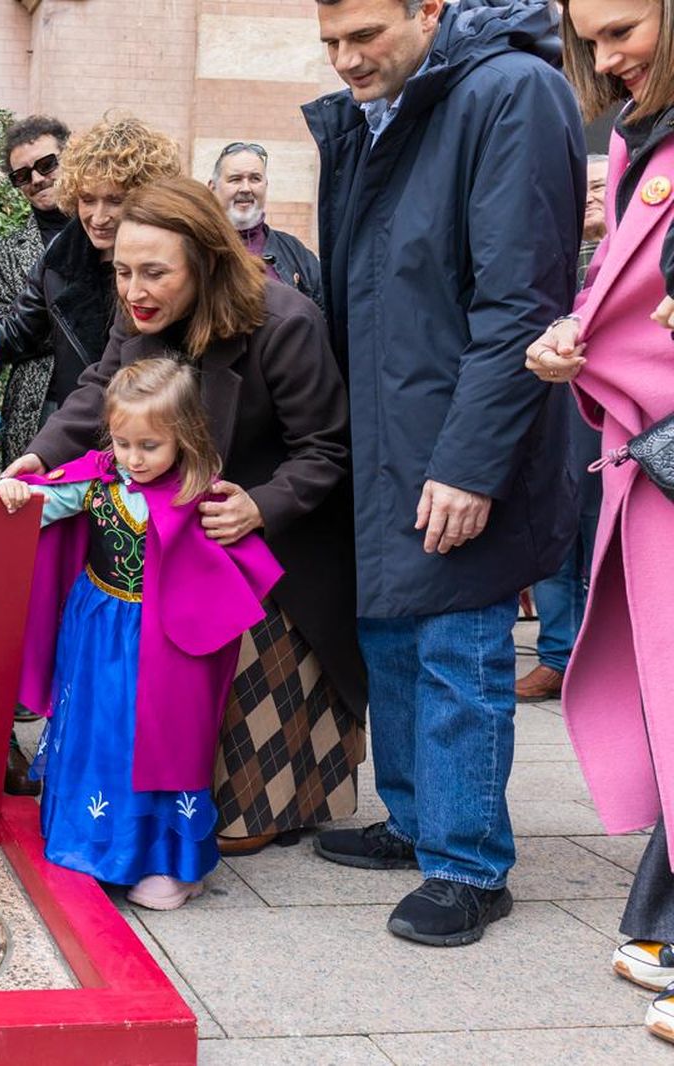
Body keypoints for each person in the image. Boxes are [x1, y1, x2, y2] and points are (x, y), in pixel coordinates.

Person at [303, 0, 583, 945]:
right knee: (390, 633)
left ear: (429, 10)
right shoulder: (386, 105)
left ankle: (469, 865)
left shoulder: (513, 90)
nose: (345, 60)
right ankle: (419, 822)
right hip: (384, 423)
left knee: (459, 651)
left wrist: (470, 463)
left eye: (363, 37)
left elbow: (520, 299)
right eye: (330, 42)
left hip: (465, 432)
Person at [3, 177, 367, 859]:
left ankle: (285, 789)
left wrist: (262, 505)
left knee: (235, 825)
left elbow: (326, 448)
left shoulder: (284, 322)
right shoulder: (137, 312)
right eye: (121, 272)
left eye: (153, 273)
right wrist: (40, 455)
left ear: (203, 263)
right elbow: (96, 394)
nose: (133, 290)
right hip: (174, 536)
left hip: (272, 547)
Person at [0, 359, 282, 910]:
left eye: (149, 445)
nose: (133, 457)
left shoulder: (200, 495)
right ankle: (91, 846)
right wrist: (17, 492)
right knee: (97, 732)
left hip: (167, 644)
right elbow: (42, 503)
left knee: (161, 741)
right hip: (96, 630)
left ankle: (167, 863)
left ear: (184, 437)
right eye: (123, 442)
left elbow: (238, 565)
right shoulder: (96, 480)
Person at [526, 0, 674, 1043]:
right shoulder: (635, 137)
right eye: (590, 36)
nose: (604, 56)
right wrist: (572, 337)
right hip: (651, 461)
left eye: (624, 28)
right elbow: (619, 291)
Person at [0, 116, 181, 467]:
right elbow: (19, 329)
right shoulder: (60, 259)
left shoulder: (181, 267)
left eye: (114, 200)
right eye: (87, 199)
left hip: (161, 444)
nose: (98, 216)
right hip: (82, 434)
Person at [518, 152, 608, 703]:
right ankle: (557, 657)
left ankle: (603, 660)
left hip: (610, 417)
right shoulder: (554, 255)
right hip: (554, 412)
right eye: (586, 188)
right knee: (554, 536)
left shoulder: (634, 253)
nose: (594, 196)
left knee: (602, 539)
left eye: (605, 186)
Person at [206, 141, 324, 313]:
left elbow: (325, 313)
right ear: (212, 188)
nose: (246, 188)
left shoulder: (294, 251)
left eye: (255, 179)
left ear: (265, 186)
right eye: (235, 179)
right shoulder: (197, 246)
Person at [0, 115, 71, 323]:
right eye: (22, 175)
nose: (37, 180)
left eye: (47, 164)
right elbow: (8, 334)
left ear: (69, 158)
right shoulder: (4, 257)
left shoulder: (105, 228)